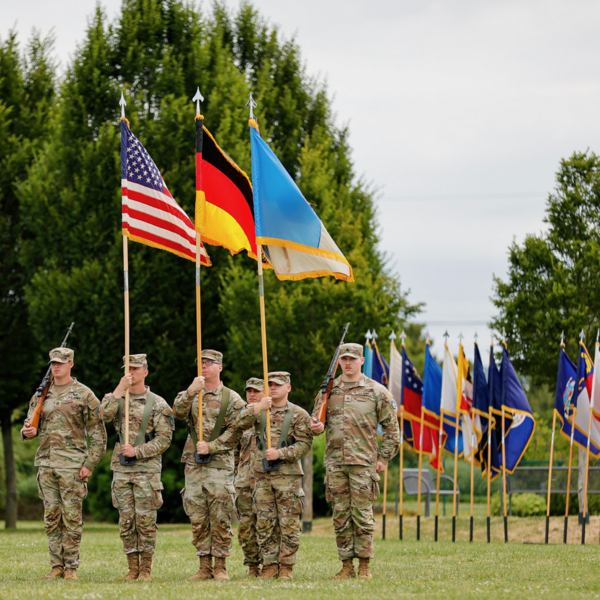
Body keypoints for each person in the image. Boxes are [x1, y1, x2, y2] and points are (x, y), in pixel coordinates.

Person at [310, 343, 400, 579]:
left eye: (352, 359)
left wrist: (384, 457)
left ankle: (364, 566)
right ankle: (346, 565)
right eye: (344, 359)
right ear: (339, 362)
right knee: (340, 515)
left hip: (363, 463)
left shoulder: (377, 391)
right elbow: (316, 421)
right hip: (335, 463)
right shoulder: (328, 390)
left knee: (362, 516)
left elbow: (392, 429)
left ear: (362, 361)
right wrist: (315, 426)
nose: (348, 363)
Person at [21, 347, 107, 581]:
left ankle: (71, 568)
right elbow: (29, 424)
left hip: (73, 466)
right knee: (51, 518)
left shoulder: (84, 394)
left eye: (60, 362)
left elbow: (99, 434)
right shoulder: (41, 394)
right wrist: (26, 432)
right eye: (53, 363)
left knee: (71, 518)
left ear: (71, 364)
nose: (56, 366)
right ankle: (56, 566)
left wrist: (90, 463)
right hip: (46, 465)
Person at [173, 349, 245, 582]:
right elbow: (177, 413)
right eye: (200, 362)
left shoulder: (232, 398)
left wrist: (212, 446)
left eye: (209, 362)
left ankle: (220, 566)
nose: (203, 366)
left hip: (219, 464)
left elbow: (238, 430)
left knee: (220, 514)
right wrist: (191, 391)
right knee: (197, 515)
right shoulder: (189, 393)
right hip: (193, 464)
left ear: (220, 367)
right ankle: (204, 566)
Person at [101, 354, 174, 582]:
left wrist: (138, 451)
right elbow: (102, 415)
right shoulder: (116, 398)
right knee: (126, 521)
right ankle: (132, 568)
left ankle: (146, 570)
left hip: (147, 471)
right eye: (127, 369)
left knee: (145, 521)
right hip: (122, 470)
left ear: (145, 372)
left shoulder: (158, 403)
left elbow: (165, 439)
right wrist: (118, 390)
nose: (131, 372)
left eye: (135, 368)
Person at [236, 371, 312, 580]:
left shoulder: (298, 414)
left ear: (288, 388)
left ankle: (286, 566)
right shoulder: (259, 410)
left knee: (288, 524)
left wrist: (281, 453)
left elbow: (305, 444)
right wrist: (257, 408)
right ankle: (269, 565)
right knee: (264, 523)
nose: (273, 388)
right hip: (261, 477)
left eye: (278, 384)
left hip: (288, 477)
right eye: (270, 385)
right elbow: (238, 423)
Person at [234, 378, 264, 577]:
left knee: (267, 525)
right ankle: (252, 566)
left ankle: (271, 565)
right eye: (249, 391)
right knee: (245, 527)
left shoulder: (273, 416)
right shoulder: (241, 418)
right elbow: (235, 450)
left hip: (266, 480)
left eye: (256, 391)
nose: (252, 395)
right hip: (244, 481)